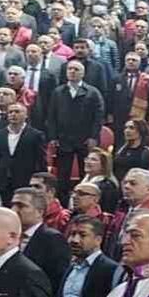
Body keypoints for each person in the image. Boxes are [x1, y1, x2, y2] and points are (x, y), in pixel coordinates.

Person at [45, 59, 106, 200]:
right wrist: (53, 137)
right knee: (62, 176)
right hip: (63, 139)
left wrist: (93, 137)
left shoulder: (92, 92)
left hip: (85, 140)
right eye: (70, 69)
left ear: (83, 73)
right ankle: (62, 202)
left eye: (76, 69)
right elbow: (51, 116)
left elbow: (98, 117)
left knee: (86, 173)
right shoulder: (58, 92)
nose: (72, 72)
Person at [11, 186, 71, 290]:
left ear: (40, 212)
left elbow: (58, 279)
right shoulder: (7, 236)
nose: (14, 210)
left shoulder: (52, 239)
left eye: (21, 206)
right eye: (13, 205)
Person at [0, 102, 45, 203]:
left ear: (26, 115)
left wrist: (39, 180)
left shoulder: (35, 135)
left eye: (17, 112)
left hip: (25, 180)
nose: (13, 114)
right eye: (10, 112)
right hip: (2, 180)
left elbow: (40, 160)